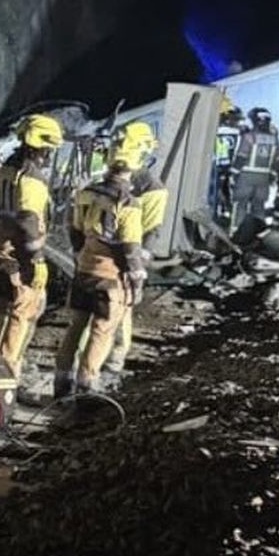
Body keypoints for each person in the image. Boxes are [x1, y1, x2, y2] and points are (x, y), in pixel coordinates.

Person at [0, 112, 62, 423]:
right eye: (49, 148)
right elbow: (28, 225)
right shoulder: (33, 179)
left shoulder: (9, 168)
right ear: (42, 147)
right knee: (19, 319)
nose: (50, 154)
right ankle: (4, 388)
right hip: (17, 259)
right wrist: (36, 263)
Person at [55, 159, 145, 399]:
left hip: (84, 270)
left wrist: (80, 254)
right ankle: (86, 388)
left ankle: (61, 385)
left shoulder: (87, 193)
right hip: (110, 278)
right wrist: (137, 281)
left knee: (76, 326)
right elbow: (129, 248)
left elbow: (74, 229)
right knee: (101, 331)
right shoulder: (129, 203)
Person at [103, 120, 166, 384]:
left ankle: (113, 364)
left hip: (127, 254)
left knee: (121, 311)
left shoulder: (152, 189)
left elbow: (151, 230)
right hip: (103, 252)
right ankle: (93, 359)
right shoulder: (113, 177)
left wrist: (137, 266)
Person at [229, 107, 279, 233]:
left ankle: (236, 232)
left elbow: (241, 157)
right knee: (259, 207)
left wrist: (233, 174)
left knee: (240, 205)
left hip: (246, 176)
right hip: (264, 179)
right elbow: (277, 161)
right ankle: (258, 234)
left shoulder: (249, 137)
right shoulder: (275, 140)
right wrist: (272, 175)